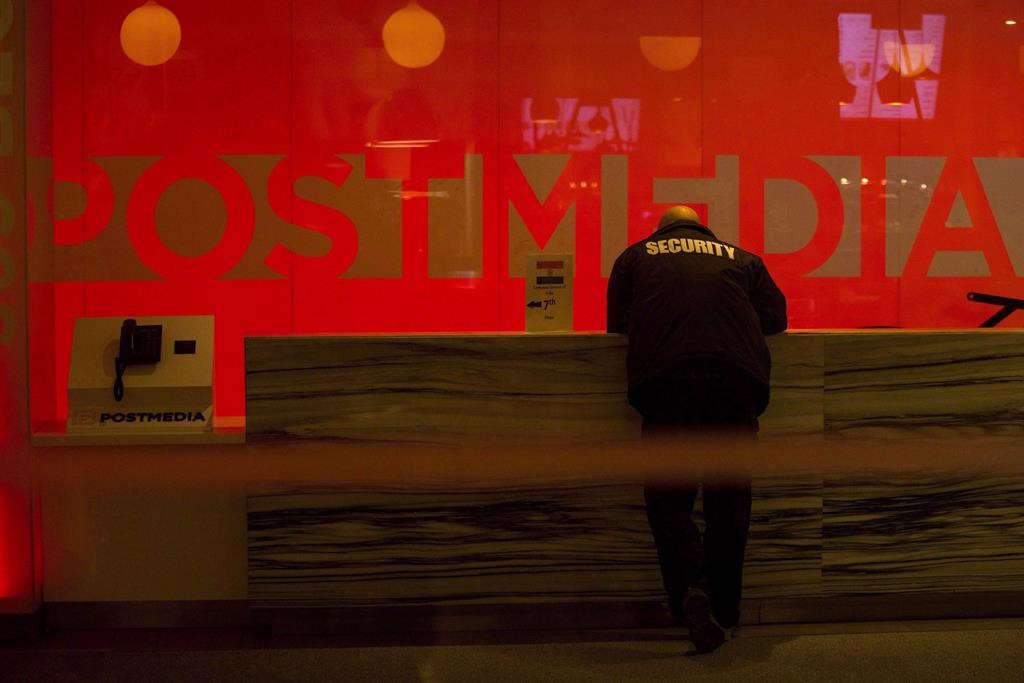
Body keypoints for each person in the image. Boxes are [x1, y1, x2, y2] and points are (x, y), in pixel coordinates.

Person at [606, 205, 787, 654]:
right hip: (737, 380)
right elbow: (777, 320)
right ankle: (726, 608)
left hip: (668, 382)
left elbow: (617, 327)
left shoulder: (635, 257)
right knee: (730, 496)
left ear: (661, 230)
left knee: (669, 497)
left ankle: (691, 590)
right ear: (705, 229)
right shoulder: (741, 257)